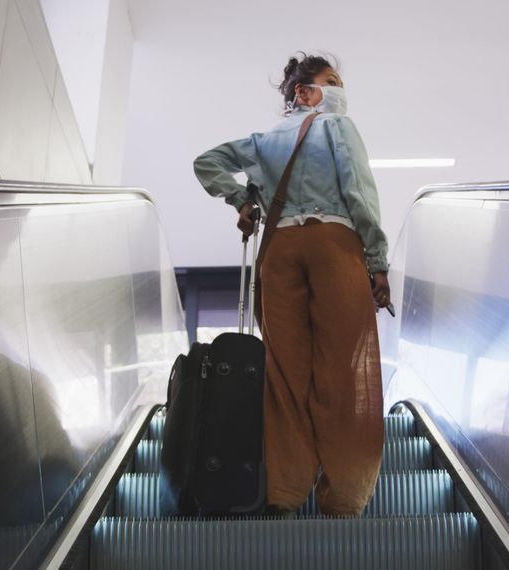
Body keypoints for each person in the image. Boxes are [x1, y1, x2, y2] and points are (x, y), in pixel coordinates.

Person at [193, 53, 389, 517]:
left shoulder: (262, 141)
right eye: (332, 81)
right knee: (344, 369)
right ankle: (342, 495)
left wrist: (242, 199)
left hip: (279, 253)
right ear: (305, 92)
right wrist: (377, 262)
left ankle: (285, 491)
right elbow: (358, 191)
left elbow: (207, 162)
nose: (340, 91)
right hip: (333, 244)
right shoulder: (337, 127)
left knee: (284, 374)